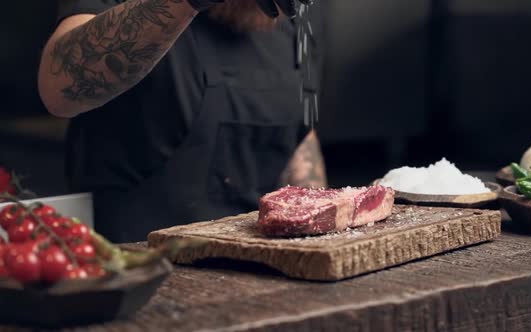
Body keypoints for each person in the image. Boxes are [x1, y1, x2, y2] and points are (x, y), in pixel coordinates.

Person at [37, 0, 327, 243]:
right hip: (136, 271)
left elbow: (298, 139)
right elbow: (57, 89)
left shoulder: (294, 17)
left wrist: (318, 221)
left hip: (259, 275)